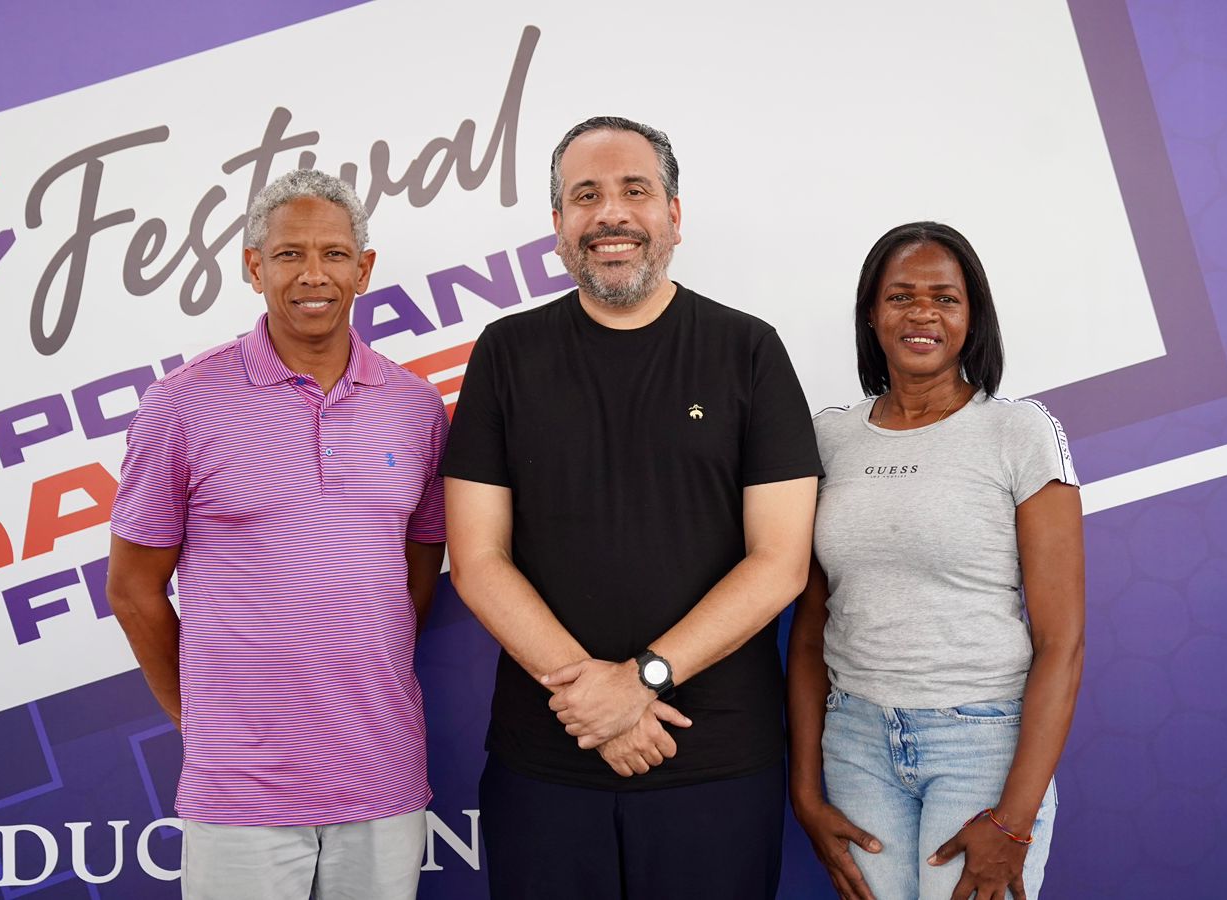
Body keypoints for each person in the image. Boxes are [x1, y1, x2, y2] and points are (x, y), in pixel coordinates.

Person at [441, 116, 822, 900]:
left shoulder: (749, 351)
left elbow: (779, 562)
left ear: (674, 215)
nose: (610, 214)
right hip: (545, 764)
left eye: (634, 191)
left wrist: (643, 679)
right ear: (557, 227)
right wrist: (595, 698)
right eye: (586, 196)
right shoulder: (506, 354)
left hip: (712, 765)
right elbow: (477, 558)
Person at [106, 169, 448, 900]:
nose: (313, 274)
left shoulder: (417, 408)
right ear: (253, 266)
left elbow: (419, 570)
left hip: (381, 776)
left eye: (333, 253)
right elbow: (133, 590)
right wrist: (201, 721)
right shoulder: (183, 404)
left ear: (364, 267)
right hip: (241, 791)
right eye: (290, 254)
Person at [787, 221, 1084, 900]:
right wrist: (805, 791)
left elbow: (1061, 641)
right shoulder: (829, 437)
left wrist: (1013, 824)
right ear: (872, 312)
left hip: (982, 745)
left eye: (945, 298)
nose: (922, 313)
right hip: (856, 740)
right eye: (901, 296)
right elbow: (808, 632)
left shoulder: (1019, 432)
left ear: (972, 316)